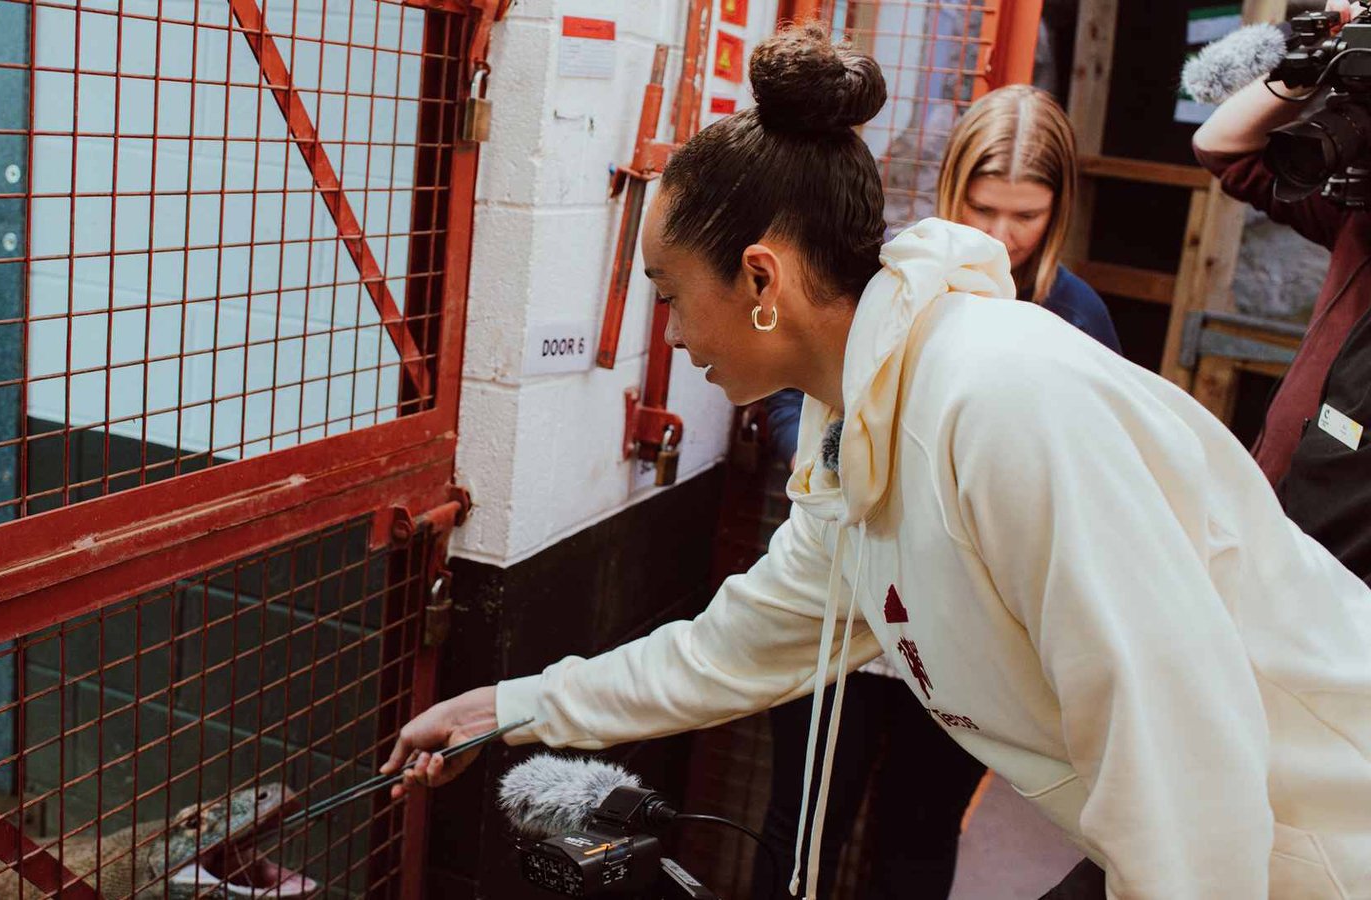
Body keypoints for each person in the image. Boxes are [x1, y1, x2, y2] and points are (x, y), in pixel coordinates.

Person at [386, 23, 1371, 899]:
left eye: (672, 292)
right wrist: (505, 706)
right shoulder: (864, 428)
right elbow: (724, 654)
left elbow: (1176, 762)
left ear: (760, 278)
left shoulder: (999, 400)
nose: (673, 331)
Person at [753, 83, 1120, 900]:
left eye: (1025, 216)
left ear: (1058, 209)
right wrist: (828, 457)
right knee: (801, 825)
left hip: (966, 636)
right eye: (983, 207)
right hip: (848, 601)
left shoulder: (1077, 316)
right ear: (953, 185)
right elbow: (788, 389)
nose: (1000, 236)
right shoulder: (885, 276)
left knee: (919, 837)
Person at [1192, 0, 1371, 585]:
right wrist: (1319, 57)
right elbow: (1220, 145)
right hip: (1268, 529)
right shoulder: (1359, 220)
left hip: (1339, 581)